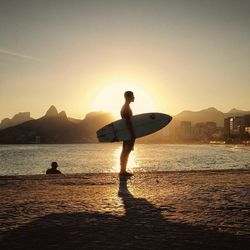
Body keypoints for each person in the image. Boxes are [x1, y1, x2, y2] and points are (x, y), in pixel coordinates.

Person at [120, 91, 136, 177]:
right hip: (128, 133)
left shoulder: (126, 107)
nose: (134, 97)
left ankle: (123, 170)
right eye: (133, 96)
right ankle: (122, 171)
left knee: (125, 151)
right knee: (126, 151)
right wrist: (132, 133)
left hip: (126, 133)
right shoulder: (126, 108)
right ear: (128, 97)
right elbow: (128, 122)